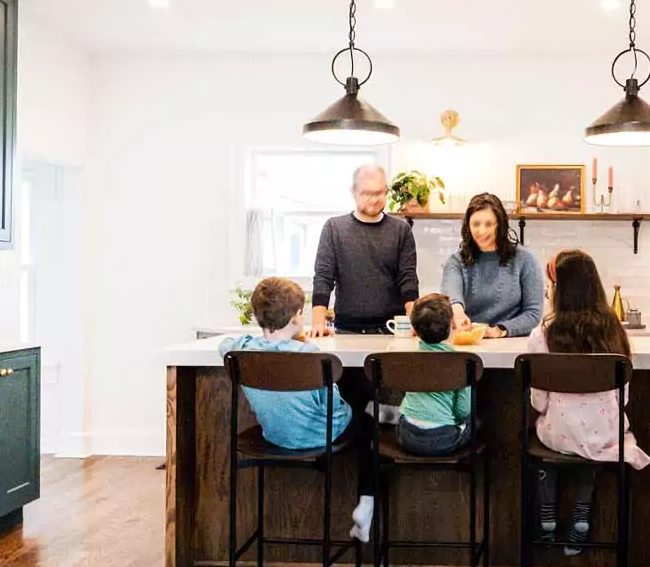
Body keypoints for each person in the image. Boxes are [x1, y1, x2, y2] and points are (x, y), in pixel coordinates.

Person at [220, 277, 377, 542]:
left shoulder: (241, 351)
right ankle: (366, 502)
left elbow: (225, 345)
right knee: (369, 422)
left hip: (274, 437)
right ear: (296, 316)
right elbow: (333, 406)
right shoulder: (310, 354)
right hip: (319, 438)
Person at [524, 249, 650, 555]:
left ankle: (547, 521)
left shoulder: (542, 334)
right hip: (605, 434)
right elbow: (624, 397)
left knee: (553, 440)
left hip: (558, 434)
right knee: (592, 445)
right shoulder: (615, 332)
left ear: (559, 290)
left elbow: (538, 401)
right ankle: (581, 519)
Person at [310, 163, 418, 336]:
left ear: (387, 191)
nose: (374, 199)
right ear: (353, 192)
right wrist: (318, 323)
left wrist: (414, 321)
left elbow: (408, 279)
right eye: (367, 193)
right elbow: (323, 277)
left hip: (391, 329)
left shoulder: (401, 230)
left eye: (379, 193)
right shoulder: (334, 228)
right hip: (346, 329)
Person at [439, 192, 544, 339]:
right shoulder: (456, 262)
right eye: (476, 224)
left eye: (489, 224)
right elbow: (452, 298)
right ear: (468, 226)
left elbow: (533, 313)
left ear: (500, 225)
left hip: (512, 345)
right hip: (469, 343)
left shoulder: (525, 259)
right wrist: (458, 314)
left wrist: (500, 330)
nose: (482, 231)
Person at [394, 294, 476, 456]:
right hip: (442, 438)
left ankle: (393, 414)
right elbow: (463, 410)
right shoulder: (460, 362)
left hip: (406, 435)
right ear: (450, 326)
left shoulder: (407, 357)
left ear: (415, 328)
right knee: (475, 422)